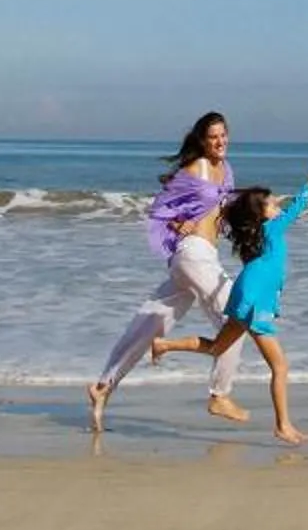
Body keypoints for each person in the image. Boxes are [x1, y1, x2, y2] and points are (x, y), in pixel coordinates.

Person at [151, 151, 308, 445]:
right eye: (272, 203)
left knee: (218, 347)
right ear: (262, 214)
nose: (277, 205)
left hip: (243, 291)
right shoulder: (273, 228)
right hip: (256, 298)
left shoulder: (255, 232)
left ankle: (164, 344)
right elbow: (302, 200)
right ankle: (283, 425)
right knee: (280, 367)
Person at [87, 111, 249, 434]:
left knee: (150, 322)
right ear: (203, 141)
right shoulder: (196, 168)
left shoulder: (226, 170)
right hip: (192, 254)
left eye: (223, 135)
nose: (220, 141)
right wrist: (179, 224)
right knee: (239, 318)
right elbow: (160, 208)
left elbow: (223, 212)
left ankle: (103, 386)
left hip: (204, 259)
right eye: (213, 136)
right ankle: (220, 395)